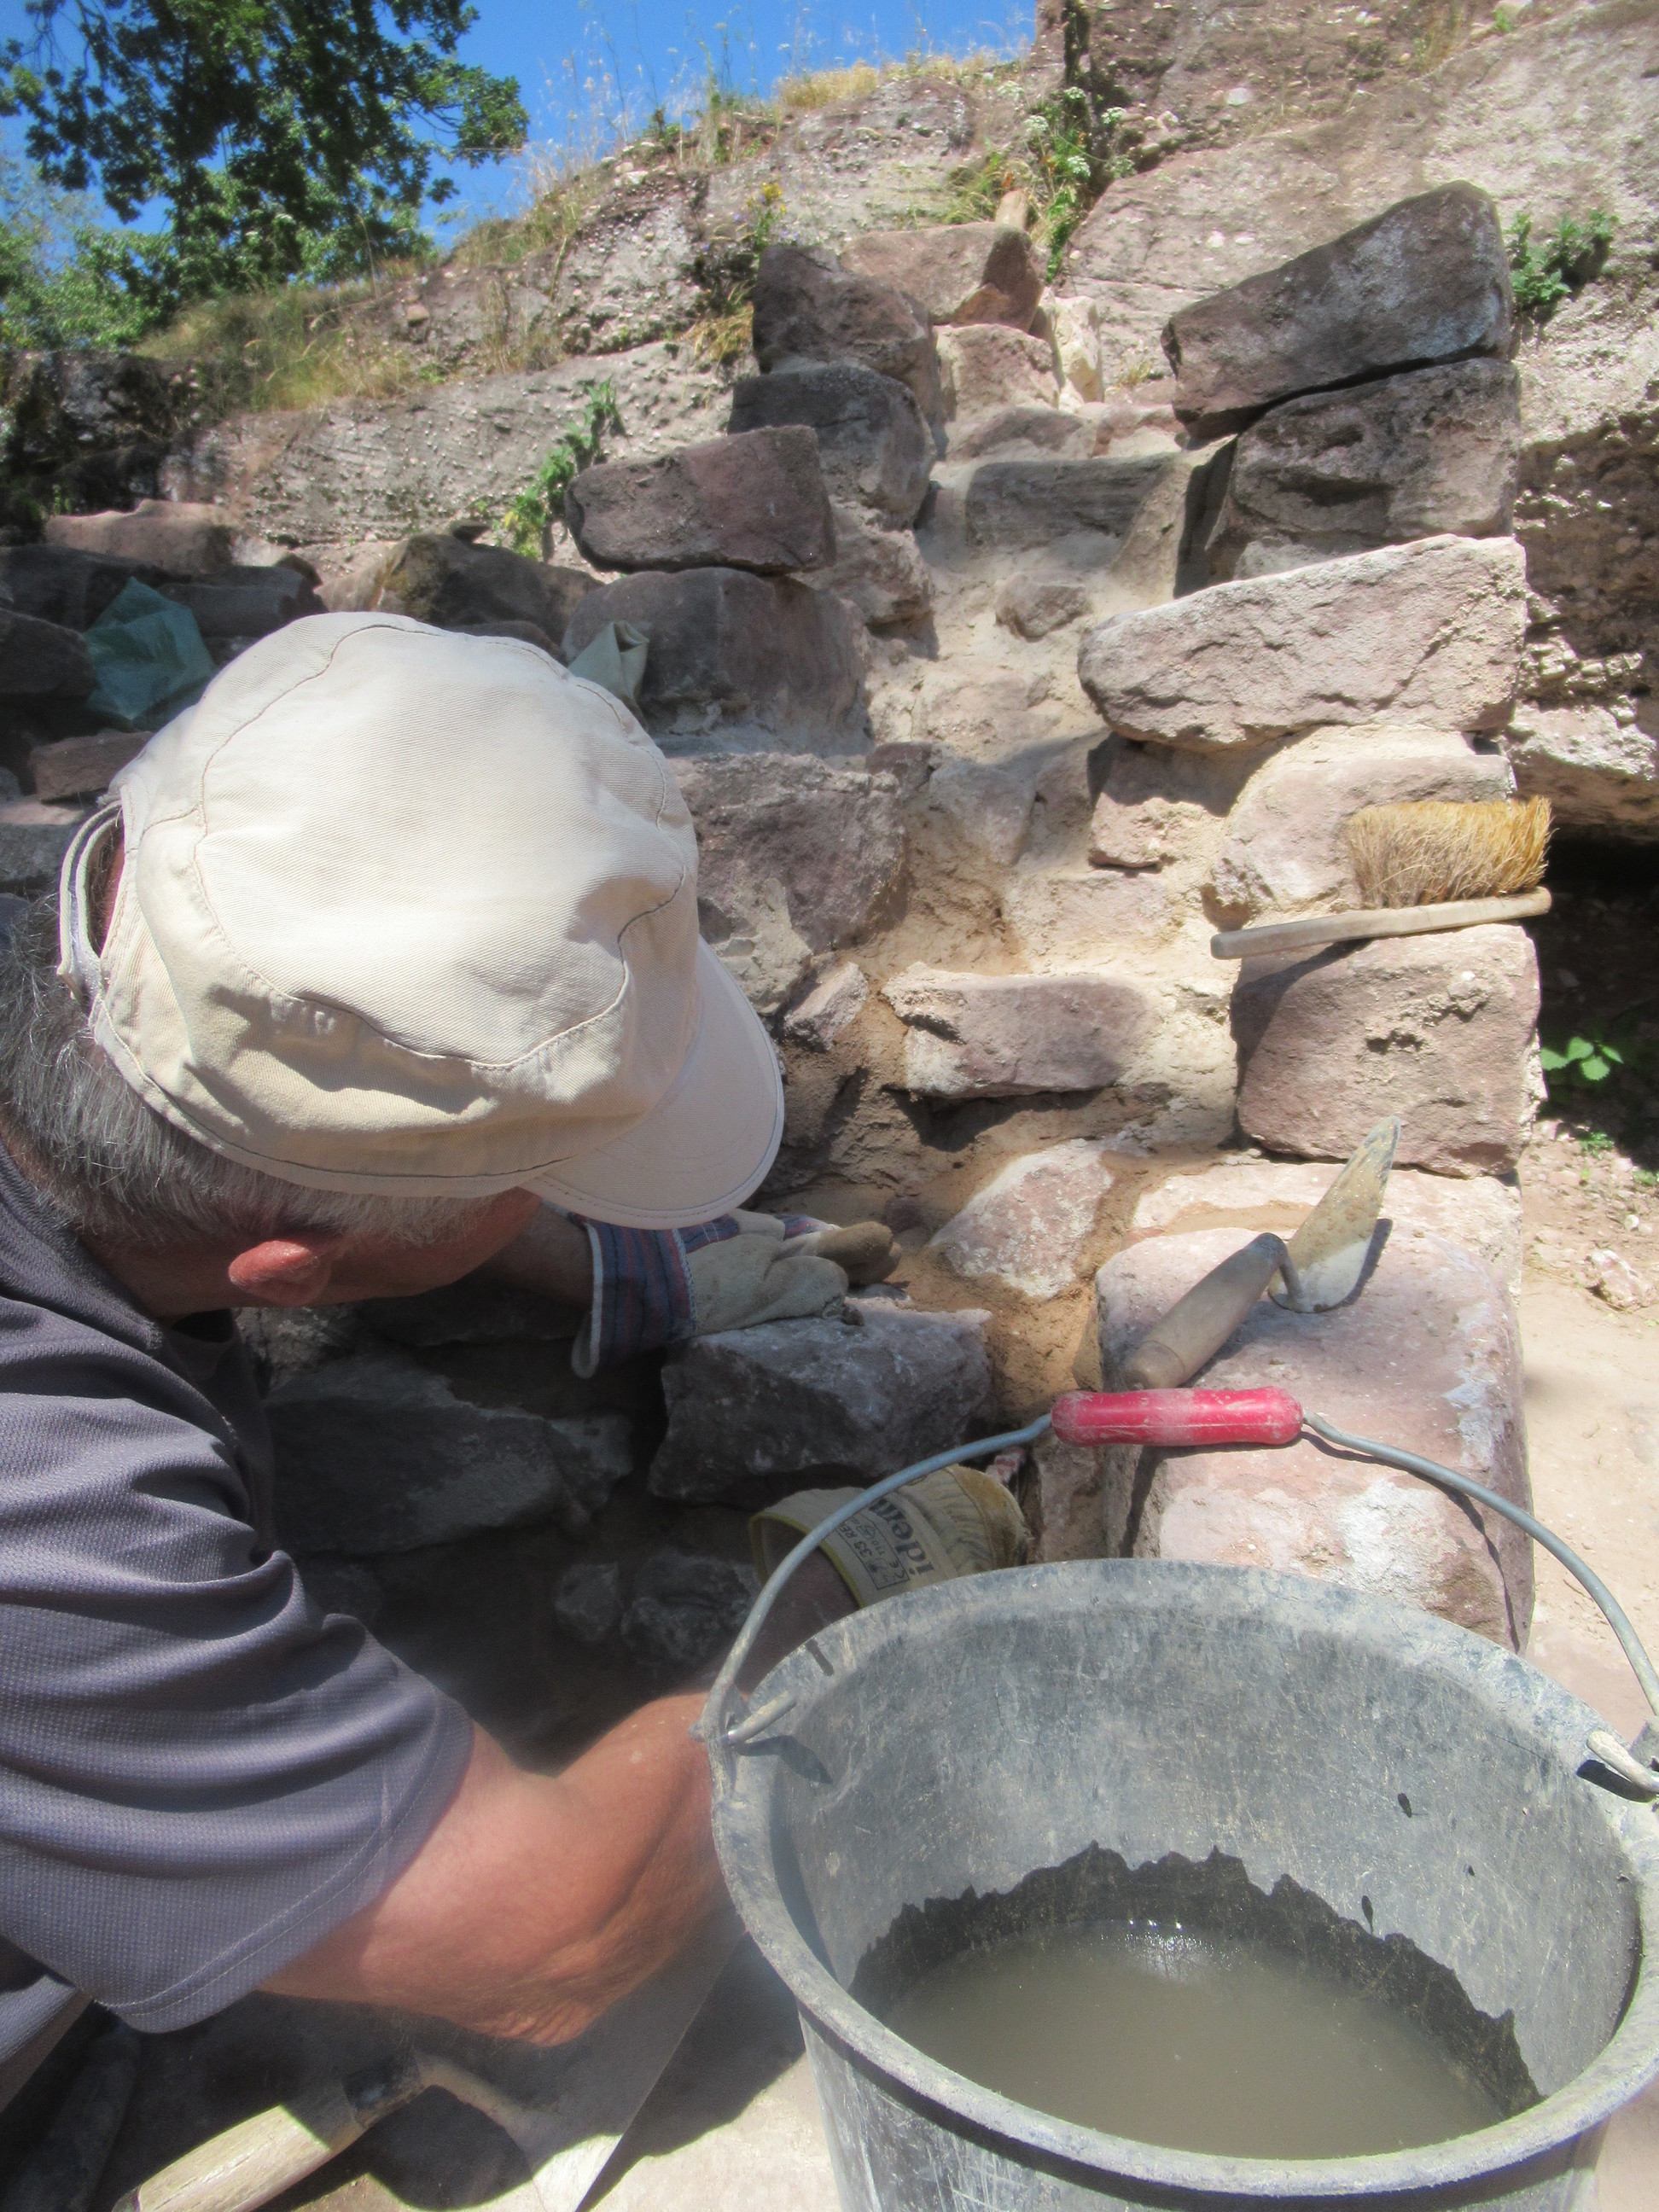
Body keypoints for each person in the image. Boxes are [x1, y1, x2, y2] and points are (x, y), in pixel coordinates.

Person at [0, 614, 1024, 2112]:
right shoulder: (49, 1517)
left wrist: (608, 1268)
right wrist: (838, 1601)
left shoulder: (89, 964)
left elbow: (274, 1173)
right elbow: (551, 1943)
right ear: (292, 1275)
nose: (561, 1203)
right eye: (538, 1187)